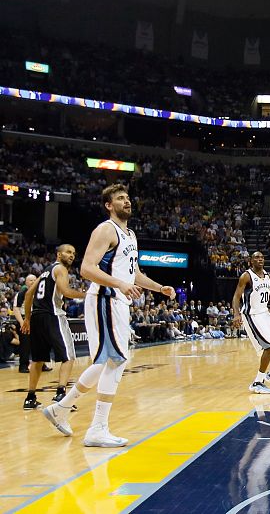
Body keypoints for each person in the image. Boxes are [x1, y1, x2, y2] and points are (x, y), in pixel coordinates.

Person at [40, 184, 175, 447]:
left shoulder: (131, 235)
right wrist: (119, 284)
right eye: (120, 198)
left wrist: (159, 288)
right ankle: (97, 428)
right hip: (104, 298)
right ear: (108, 205)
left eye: (128, 197)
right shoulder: (105, 229)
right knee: (115, 361)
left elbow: (133, 273)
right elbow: (86, 269)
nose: (127, 201)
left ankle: (61, 408)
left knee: (105, 362)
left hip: (117, 301)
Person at [21, 245, 85, 411]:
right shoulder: (61, 269)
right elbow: (66, 291)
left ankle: (30, 397)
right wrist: (87, 294)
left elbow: (28, 295)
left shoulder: (44, 272)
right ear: (59, 254)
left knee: (37, 359)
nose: (71, 255)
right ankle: (61, 394)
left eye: (73, 253)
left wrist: (27, 318)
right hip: (53, 314)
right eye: (68, 252)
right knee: (69, 356)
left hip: (37, 316)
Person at [231, 252, 270, 394]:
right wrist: (236, 314)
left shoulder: (267, 275)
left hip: (264, 313)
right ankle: (257, 382)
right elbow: (236, 296)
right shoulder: (246, 276)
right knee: (268, 347)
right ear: (251, 260)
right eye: (256, 257)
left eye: (262, 257)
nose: (260, 259)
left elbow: (269, 295)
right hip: (252, 315)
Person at [13, 274, 36, 373]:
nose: (33, 282)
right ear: (26, 282)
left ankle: (41, 364)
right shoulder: (21, 293)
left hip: (36, 320)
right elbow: (16, 309)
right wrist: (22, 323)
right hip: (24, 320)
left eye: (35, 280)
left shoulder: (39, 294)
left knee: (40, 344)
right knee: (25, 345)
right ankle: (23, 366)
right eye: (30, 280)